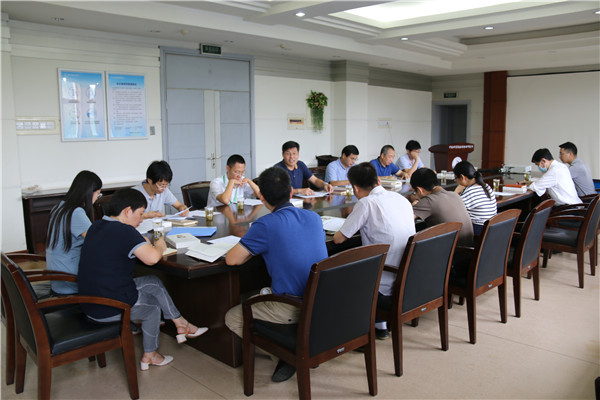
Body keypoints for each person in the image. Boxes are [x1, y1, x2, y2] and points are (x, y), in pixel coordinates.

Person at [78, 189, 207, 370]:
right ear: (127, 211)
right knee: (152, 308)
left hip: (89, 300)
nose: (141, 219)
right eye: (140, 214)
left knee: (153, 281)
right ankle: (151, 355)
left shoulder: (97, 225)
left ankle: (180, 323)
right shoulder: (125, 231)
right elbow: (152, 258)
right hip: (107, 307)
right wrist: (159, 245)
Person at [224, 167, 328, 383]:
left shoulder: (265, 224)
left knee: (232, 317)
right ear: (291, 192)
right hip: (320, 302)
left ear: (261, 197)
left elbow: (232, 260)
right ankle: (294, 350)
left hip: (292, 306)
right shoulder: (314, 217)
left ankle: (288, 355)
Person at [333, 162, 415, 339]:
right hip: (408, 275)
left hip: (384, 278)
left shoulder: (366, 203)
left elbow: (338, 239)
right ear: (378, 180)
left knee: (336, 268)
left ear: (355, 188)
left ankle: (354, 331)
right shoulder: (400, 198)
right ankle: (380, 323)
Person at [46, 170, 102, 295]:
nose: (96, 198)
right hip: (68, 282)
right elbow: (97, 242)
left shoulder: (59, 207)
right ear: (89, 193)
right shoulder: (76, 213)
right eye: (98, 194)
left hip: (58, 277)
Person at [410, 168, 474, 247]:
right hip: (468, 249)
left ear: (420, 190)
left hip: (453, 252)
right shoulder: (454, 195)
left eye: (415, 192)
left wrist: (411, 207)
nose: (416, 196)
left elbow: (406, 220)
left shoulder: (429, 201)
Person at [453, 161, 497, 235]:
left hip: (478, 231)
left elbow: (452, 209)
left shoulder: (470, 192)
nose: (456, 181)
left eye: (456, 178)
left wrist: (456, 191)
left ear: (462, 177)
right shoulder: (486, 186)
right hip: (490, 230)